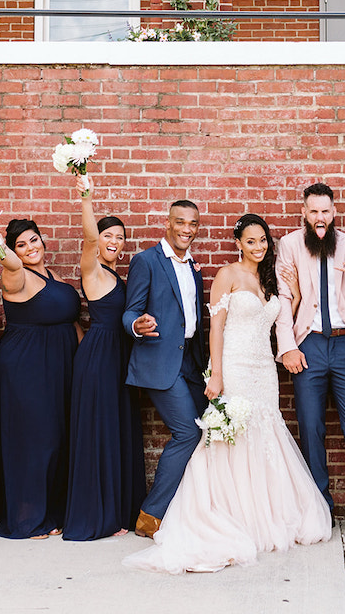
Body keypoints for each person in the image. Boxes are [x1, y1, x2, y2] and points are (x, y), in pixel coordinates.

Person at [124, 214, 331, 573]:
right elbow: (215, 328)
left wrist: (293, 296)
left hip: (264, 369)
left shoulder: (269, 278)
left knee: (264, 434)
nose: (258, 246)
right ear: (239, 243)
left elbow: (277, 320)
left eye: (263, 240)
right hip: (234, 367)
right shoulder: (227, 274)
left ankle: (263, 514)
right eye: (251, 241)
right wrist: (216, 374)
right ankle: (223, 513)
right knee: (229, 437)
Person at [274, 183, 345, 545]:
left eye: (325, 212)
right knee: (311, 428)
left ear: (334, 213)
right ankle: (319, 508)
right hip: (309, 345)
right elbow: (284, 299)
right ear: (304, 212)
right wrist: (287, 346)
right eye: (313, 211)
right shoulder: (289, 245)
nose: (320, 218)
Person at [0, 217, 80, 539]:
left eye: (33, 240)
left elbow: (71, 321)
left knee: (56, 437)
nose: (30, 249)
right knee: (33, 441)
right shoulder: (15, 275)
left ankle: (52, 512)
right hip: (26, 367)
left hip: (59, 365)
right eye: (21, 245)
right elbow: (10, 264)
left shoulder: (52, 275)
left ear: (43, 241)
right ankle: (27, 518)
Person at [64, 175, 145, 541]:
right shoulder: (92, 270)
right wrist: (86, 198)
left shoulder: (119, 274)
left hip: (119, 356)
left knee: (117, 431)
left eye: (119, 238)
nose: (114, 242)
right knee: (98, 433)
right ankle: (97, 515)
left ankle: (118, 511)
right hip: (98, 358)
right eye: (107, 236)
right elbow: (88, 237)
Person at [123, 200, 208, 539]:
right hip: (160, 361)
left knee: (210, 429)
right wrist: (137, 325)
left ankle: (193, 510)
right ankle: (151, 515)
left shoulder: (193, 267)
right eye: (181, 222)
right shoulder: (146, 261)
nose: (187, 229)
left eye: (193, 224)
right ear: (168, 224)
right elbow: (130, 312)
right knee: (188, 432)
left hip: (191, 362)